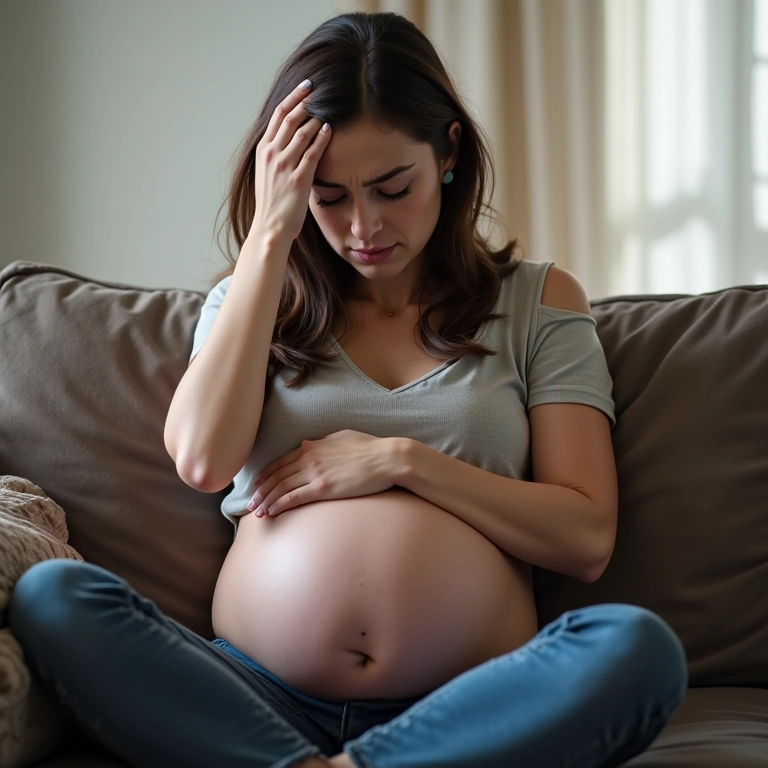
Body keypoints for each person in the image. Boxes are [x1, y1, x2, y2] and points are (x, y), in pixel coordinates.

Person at [9, 10, 688, 768]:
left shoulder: (538, 301)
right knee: (52, 597)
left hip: (468, 699)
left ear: (448, 155)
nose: (363, 226)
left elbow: (586, 534)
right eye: (328, 197)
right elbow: (201, 460)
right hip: (254, 692)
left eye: (392, 188)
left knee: (638, 649)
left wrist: (402, 461)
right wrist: (270, 237)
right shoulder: (253, 302)